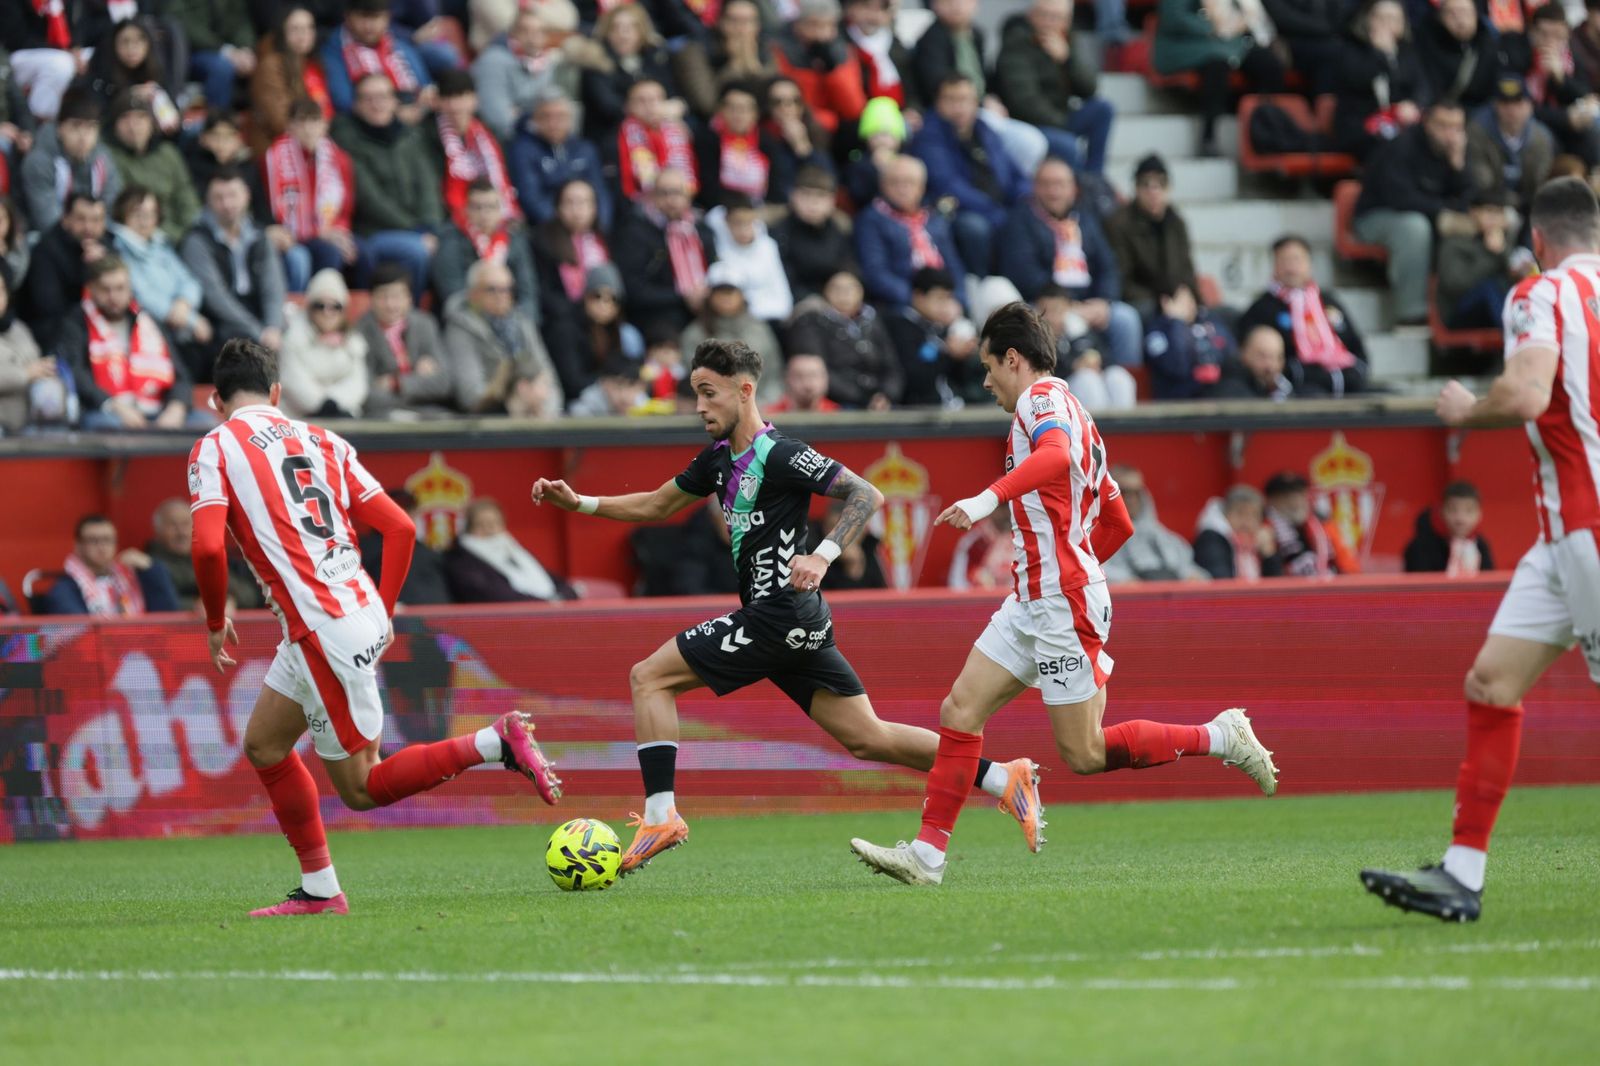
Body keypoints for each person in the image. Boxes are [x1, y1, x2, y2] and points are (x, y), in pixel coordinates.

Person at [531, 337, 1048, 875]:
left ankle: (662, 816)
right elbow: (658, 503)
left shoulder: (778, 453)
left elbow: (867, 494)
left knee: (649, 678)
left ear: (744, 390)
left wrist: (823, 555)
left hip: (777, 615)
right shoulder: (717, 460)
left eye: (709, 394)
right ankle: (1002, 778)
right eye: (695, 394)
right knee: (868, 737)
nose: (700, 406)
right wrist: (582, 502)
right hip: (793, 622)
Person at [847, 303, 1278, 886]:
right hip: (1039, 597)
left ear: (1014, 358)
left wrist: (988, 503)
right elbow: (1118, 520)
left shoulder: (1039, 402)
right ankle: (927, 858)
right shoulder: (1077, 409)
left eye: (988, 367)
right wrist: (1069, 571)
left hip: (1058, 601)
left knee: (1084, 754)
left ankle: (1223, 736)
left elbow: (1053, 457)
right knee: (959, 711)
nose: (986, 380)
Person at [187, 337, 560, 916]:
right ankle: (319, 889)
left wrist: (215, 620)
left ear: (216, 401)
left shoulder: (215, 446)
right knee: (265, 744)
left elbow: (209, 547)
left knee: (362, 787)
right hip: (348, 611)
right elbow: (402, 528)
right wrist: (383, 609)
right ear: (279, 394)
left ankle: (493, 741)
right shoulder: (325, 440)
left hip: (321, 629)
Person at [1360, 177, 1600, 922]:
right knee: (1493, 682)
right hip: (1561, 535)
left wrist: (1470, 407)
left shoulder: (1540, 291)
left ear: (1537, 240)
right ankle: (1462, 874)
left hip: (1589, 529)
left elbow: (1527, 395)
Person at [998, 157, 1142, 371]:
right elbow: (1024, 273)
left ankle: (1129, 389)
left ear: (1073, 189)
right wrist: (1068, 304)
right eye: (1046, 184)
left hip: (1089, 302)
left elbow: (1108, 265)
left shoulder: (1085, 219)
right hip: (1045, 303)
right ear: (1035, 187)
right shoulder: (1020, 221)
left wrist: (1103, 301)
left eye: (1060, 185)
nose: (1054, 191)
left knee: (1125, 319)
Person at [1353, 100, 1473, 325]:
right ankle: (1411, 314)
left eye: (1456, 127)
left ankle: (1463, 317)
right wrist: (1442, 213)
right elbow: (1399, 198)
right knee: (1414, 227)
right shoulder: (1402, 146)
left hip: (1428, 215)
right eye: (1443, 125)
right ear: (1426, 123)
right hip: (1376, 217)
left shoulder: (1460, 149)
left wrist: (1459, 168)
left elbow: (1470, 199)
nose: (1450, 134)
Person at [56, 255, 201, 431]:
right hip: (105, 411)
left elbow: (180, 374)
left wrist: (177, 407)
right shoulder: (76, 322)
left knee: (205, 422)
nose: (113, 296)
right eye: (105, 289)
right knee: (109, 426)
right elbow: (75, 372)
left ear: (130, 288)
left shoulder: (148, 321)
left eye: (120, 288)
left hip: (157, 408)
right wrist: (113, 405)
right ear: (91, 289)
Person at [333, 73, 444, 296]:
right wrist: (415, 230)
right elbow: (369, 198)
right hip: (371, 231)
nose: (377, 104)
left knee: (453, 245)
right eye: (368, 98)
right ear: (356, 104)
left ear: (395, 101)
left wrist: (430, 225)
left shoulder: (410, 135)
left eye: (383, 97)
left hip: (418, 227)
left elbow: (428, 185)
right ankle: (405, 317)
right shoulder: (346, 139)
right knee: (416, 251)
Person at [911, 73, 1031, 275]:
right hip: (958, 210)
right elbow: (947, 185)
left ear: (976, 103)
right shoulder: (929, 136)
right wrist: (994, 210)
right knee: (975, 228)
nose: (959, 107)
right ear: (938, 103)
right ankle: (981, 281)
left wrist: (1024, 198)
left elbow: (1015, 172)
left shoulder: (984, 130)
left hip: (999, 207)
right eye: (951, 99)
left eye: (965, 99)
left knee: (1032, 217)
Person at [180, 168, 289, 364]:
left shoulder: (259, 235)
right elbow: (215, 297)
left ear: (246, 196)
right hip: (220, 322)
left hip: (258, 316)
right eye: (219, 197)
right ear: (208, 201)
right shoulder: (197, 240)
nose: (227, 204)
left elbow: (273, 286)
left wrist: (272, 327)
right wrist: (259, 333)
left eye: (233, 195)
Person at [994, 0, 1115, 176]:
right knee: (1068, 145)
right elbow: (1025, 102)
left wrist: (1067, 59)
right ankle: (1076, 190)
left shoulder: (1066, 40)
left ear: (1067, 21)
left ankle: (1095, 180)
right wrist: (1061, 124)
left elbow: (1089, 89)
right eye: (1044, 15)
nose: (1050, 22)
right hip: (1029, 124)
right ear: (1031, 16)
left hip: (1059, 118)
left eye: (1057, 17)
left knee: (1103, 109)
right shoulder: (1016, 42)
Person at [1237, 235, 1368, 396]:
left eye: (1297, 260)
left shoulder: (1328, 302)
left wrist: (1356, 372)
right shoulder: (1263, 308)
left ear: (1309, 264)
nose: (1291, 267)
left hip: (1347, 382)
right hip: (1299, 389)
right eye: (1285, 260)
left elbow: (1356, 347)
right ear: (1274, 266)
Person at [1152, 0, 1285, 157]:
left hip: (1227, 41)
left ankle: (1267, 131)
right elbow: (1174, 18)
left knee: (1268, 63)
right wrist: (1212, 27)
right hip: (1185, 44)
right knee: (1218, 64)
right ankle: (1208, 136)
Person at [265, 99, 361, 294]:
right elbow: (268, 205)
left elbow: (346, 207)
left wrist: (339, 230)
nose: (308, 129)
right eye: (301, 122)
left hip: (328, 229)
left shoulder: (339, 158)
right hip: (289, 234)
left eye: (315, 121)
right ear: (290, 126)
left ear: (325, 125)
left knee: (363, 254)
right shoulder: (273, 158)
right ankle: (320, 306)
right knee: (326, 253)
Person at [443, 258, 561, 415]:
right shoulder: (460, 328)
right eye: (492, 289)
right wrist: (512, 399)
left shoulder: (523, 323)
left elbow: (550, 379)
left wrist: (543, 408)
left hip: (537, 415)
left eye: (507, 289)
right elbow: (469, 396)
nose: (502, 296)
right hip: (489, 423)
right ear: (473, 293)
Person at [109, 185, 213, 361]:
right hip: (152, 329)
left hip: (182, 323)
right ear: (122, 215)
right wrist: (191, 320)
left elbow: (189, 281)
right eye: (137, 214)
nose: (145, 221)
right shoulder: (117, 248)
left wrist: (185, 303)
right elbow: (141, 295)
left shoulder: (161, 243)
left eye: (150, 214)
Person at [612, 167, 717, 334]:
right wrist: (682, 297)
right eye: (663, 193)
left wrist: (706, 293)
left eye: (677, 192)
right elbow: (634, 289)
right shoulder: (635, 231)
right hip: (659, 312)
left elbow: (717, 268)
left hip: (706, 305)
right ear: (652, 196)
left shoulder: (702, 229)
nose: (671, 199)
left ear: (688, 195)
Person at [854, 154, 964, 312]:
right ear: (882, 185)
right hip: (903, 305)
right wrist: (917, 301)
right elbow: (875, 273)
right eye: (895, 182)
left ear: (922, 187)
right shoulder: (872, 219)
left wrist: (957, 300)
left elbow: (954, 264)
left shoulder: (934, 219)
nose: (902, 189)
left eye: (910, 183)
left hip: (944, 300)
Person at [787, 269, 901, 410]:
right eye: (837, 288)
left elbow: (892, 366)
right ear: (825, 292)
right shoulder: (813, 322)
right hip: (840, 403)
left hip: (882, 401)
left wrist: (886, 395)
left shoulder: (873, 321)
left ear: (862, 291)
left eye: (851, 288)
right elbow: (819, 369)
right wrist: (863, 398)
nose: (844, 294)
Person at [427, 69, 521, 238]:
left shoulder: (488, 134)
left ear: (474, 100)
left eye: (462, 96)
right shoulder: (427, 136)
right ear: (437, 102)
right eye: (448, 98)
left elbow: (503, 181)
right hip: (450, 221)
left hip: (492, 214)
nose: (455, 105)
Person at [1331, 0, 1430, 161]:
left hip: (1400, 125)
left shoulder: (1408, 53)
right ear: (1368, 20)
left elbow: (1423, 87)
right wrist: (1381, 54)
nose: (1387, 24)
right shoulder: (1351, 48)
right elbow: (1358, 80)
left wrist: (1414, 105)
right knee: (1397, 144)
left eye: (1393, 19)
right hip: (1360, 125)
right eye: (1381, 18)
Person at [432, 178, 539, 324]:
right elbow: (453, 293)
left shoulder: (515, 241)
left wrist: (524, 324)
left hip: (512, 319)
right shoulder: (451, 240)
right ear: (466, 209)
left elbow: (527, 291)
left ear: (501, 210)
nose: (484, 214)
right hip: (468, 322)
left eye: (491, 207)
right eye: (477, 207)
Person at [1107, 154, 1200, 319]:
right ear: (1135, 188)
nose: (1154, 191)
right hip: (1142, 303)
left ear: (1169, 188)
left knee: (1225, 316)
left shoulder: (1176, 222)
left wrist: (1186, 294)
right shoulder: (1119, 223)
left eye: (1160, 184)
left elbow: (1187, 270)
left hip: (1176, 301)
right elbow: (1121, 280)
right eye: (1146, 184)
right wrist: (1162, 304)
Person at [357, 262, 456, 417]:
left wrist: (396, 383)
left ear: (409, 298)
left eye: (396, 296)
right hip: (383, 415)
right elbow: (366, 394)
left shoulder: (425, 324)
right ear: (371, 299)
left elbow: (445, 383)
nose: (390, 305)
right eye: (383, 297)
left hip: (431, 413)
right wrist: (420, 383)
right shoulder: (360, 331)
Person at [17, 88, 119, 235]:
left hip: (95, 236)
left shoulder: (103, 158)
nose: (83, 137)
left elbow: (113, 206)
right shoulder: (39, 161)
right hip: (46, 239)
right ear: (59, 128)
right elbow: (47, 220)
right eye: (76, 126)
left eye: (90, 128)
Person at [680, 262, 784, 404]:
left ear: (742, 295)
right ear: (709, 295)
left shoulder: (761, 330)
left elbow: (774, 376)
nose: (726, 297)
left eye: (731, 291)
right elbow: (693, 380)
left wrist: (761, 405)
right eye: (720, 291)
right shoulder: (694, 334)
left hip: (760, 408)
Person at [38, 513, 180, 616]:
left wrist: (151, 569)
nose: (102, 547)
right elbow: (78, 629)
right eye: (93, 540)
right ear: (78, 546)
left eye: (107, 540)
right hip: (95, 654)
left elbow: (169, 613)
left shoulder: (131, 577)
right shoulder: (65, 587)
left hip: (140, 651)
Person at [105, 93, 200, 245]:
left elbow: (186, 197)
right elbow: (124, 208)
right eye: (125, 118)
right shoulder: (109, 157)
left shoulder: (168, 153)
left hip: (182, 236)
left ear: (152, 123)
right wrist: (171, 236)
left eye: (140, 118)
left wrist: (190, 233)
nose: (133, 126)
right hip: (137, 238)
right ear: (114, 125)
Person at [472, 6, 577, 143]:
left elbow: (556, 107)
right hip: (503, 141)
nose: (533, 38)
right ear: (513, 34)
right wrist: (539, 122)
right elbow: (498, 119)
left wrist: (528, 116)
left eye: (539, 32)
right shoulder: (492, 61)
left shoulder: (546, 62)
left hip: (539, 137)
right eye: (525, 31)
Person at [577, 1, 678, 144]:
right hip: (612, 133)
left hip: (657, 128)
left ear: (641, 31)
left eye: (630, 28)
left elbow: (672, 94)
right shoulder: (595, 60)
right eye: (616, 28)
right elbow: (609, 107)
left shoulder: (655, 57)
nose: (623, 35)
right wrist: (651, 112)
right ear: (607, 32)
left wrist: (674, 108)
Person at [510, 89, 611, 230]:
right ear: (534, 120)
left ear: (571, 119)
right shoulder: (523, 149)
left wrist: (598, 227)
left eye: (560, 117)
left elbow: (600, 194)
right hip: (548, 232)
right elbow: (531, 199)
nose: (553, 123)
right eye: (546, 117)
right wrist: (564, 230)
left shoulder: (585, 148)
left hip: (587, 229)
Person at [887, 266, 984, 409]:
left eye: (948, 298)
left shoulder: (942, 328)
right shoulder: (901, 327)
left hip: (954, 404)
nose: (945, 305)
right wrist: (949, 354)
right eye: (939, 298)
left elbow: (959, 378)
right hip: (920, 411)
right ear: (918, 296)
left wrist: (963, 355)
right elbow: (913, 378)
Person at [277, 268, 369, 419]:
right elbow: (292, 381)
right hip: (298, 419)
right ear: (309, 308)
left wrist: (334, 403)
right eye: (320, 306)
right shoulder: (293, 337)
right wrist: (321, 405)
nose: (327, 312)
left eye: (335, 306)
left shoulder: (354, 341)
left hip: (343, 415)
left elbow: (358, 383)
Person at [322, 0, 435, 122]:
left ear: (387, 18)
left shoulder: (398, 43)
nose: (369, 26)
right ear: (347, 17)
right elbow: (344, 101)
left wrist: (422, 105)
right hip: (364, 126)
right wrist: (394, 113)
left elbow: (424, 85)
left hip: (414, 114)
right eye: (362, 17)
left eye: (376, 17)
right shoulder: (334, 50)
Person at [21, 193, 107, 351]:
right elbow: (49, 309)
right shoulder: (46, 251)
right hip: (53, 335)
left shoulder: (107, 248)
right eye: (81, 219)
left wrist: (103, 267)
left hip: (98, 330)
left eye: (96, 220)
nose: (88, 227)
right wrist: (87, 271)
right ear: (65, 219)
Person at [445, 497, 576, 601]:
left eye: (494, 523)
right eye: (481, 524)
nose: (490, 530)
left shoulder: (514, 551)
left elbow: (557, 582)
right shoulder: (462, 562)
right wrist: (548, 603)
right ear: (468, 529)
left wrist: (563, 596)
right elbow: (497, 595)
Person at [1035, 283, 1137, 411]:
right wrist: (1075, 365)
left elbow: (1107, 358)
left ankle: (1124, 428)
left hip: (1089, 382)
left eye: (1056, 310)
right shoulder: (1035, 337)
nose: (1051, 317)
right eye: (1045, 311)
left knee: (1119, 377)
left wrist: (1096, 361)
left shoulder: (1079, 329)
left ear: (1068, 308)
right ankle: (1094, 430)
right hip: (1055, 394)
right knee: (1088, 380)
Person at [1099, 464, 1209, 582]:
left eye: (1137, 492)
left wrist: (1190, 577)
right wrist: (1127, 582)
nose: (1132, 499)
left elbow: (1192, 569)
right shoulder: (1098, 534)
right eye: (1124, 491)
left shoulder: (1162, 534)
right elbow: (1096, 570)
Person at [773, 0, 867, 137]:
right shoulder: (782, 51)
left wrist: (832, 70)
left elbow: (853, 108)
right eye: (814, 24)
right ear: (798, 25)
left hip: (839, 131)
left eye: (828, 26)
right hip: (799, 127)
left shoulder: (842, 52)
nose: (821, 33)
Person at [1465, 77, 1555, 219]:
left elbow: (1541, 183)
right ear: (1495, 105)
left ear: (1530, 106)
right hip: (1487, 206)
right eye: (1505, 103)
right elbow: (1480, 183)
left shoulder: (1541, 138)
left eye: (1518, 103)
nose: (1512, 110)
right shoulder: (1478, 132)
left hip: (1529, 207)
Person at [1436, 188, 1525, 331]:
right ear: (1473, 212)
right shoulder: (1454, 242)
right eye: (1489, 211)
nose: (1494, 219)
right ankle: (1516, 339)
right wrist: (1491, 255)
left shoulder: (1504, 242)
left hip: (1493, 310)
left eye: (1499, 213)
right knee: (1489, 287)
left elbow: (1514, 281)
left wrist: (1502, 252)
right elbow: (1456, 285)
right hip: (1459, 312)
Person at [251, 5, 334, 151]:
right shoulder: (271, 66)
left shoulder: (314, 64)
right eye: (295, 29)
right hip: (282, 148)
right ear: (282, 33)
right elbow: (280, 120)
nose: (303, 34)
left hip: (318, 140)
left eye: (309, 28)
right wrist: (314, 133)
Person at [79, 18, 181, 136]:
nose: (132, 48)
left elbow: (173, 114)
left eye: (139, 41)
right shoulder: (101, 75)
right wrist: (130, 95)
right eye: (125, 41)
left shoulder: (159, 71)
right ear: (114, 44)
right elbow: (101, 115)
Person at [770, 165, 855, 303]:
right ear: (793, 196)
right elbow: (782, 279)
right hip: (796, 303)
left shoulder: (839, 230)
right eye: (805, 195)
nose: (813, 203)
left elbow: (849, 267)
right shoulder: (779, 231)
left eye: (820, 196)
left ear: (832, 201)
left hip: (837, 300)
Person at [705, 196, 793, 322]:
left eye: (749, 222)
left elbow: (782, 293)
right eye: (737, 223)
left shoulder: (768, 247)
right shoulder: (716, 249)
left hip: (771, 319)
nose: (744, 230)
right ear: (726, 222)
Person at [360, 488, 452, 606]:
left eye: (409, 510)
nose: (405, 515)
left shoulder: (426, 551)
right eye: (398, 510)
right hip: (397, 620)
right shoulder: (366, 548)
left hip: (437, 618)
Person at [1263, 470, 1358, 576]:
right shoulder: (1265, 528)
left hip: (1330, 586)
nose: (1295, 501)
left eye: (1299, 493)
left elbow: (1348, 565)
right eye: (1286, 496)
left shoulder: (1323, 524)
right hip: (1288, 589)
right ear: (1271, 500)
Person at [617, 77, 697, 201]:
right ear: (629, 106)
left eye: (655, 99)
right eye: (641, 101)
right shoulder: (618, 137)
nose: (650, 106)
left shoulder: (679, 131)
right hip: (640, 207)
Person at [1416, 0, 1503, 113]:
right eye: (1452, 13)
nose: (1460, 19)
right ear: (1440, 17)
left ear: (1476, 15)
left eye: (1465, 12)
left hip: (1481, 112)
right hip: (1441, 112)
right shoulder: (1426, 43)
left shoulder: (1489, 43)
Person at [0, 262, 50, 436]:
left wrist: (46, 369)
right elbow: (29, 371)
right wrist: (25, 374)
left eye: (0, 290)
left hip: (27, 422)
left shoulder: (18, 328)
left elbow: (36, 361)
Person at [1404, 481, 1495, 576]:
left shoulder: (1481, 546)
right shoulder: (1420, 546)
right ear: (1442, 511)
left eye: (1469, 511)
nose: (1460, 518)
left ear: (1479, 514)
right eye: (1453, 510)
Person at [1193, 485, 1283, 581]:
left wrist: (1269, 555)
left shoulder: (1259, 544)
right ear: (1225, 514)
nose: (1247, 521)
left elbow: (1275, 587)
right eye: (1240, 513)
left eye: (1254, 515)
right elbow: (1221, 582)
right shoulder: (1211, 539)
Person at [1214, 324, 1294, 401]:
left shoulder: (1283, 389)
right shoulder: (1230, 392)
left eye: (1278, 358)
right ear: (1244, 353)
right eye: (1263, 356)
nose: (1270, 366)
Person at [765, 351, 840, 413]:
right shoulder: (771, 416)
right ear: (787, 379)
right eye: (799, 377)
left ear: (826, 378)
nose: (807, 384)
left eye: (814, 376)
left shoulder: (838, 413)